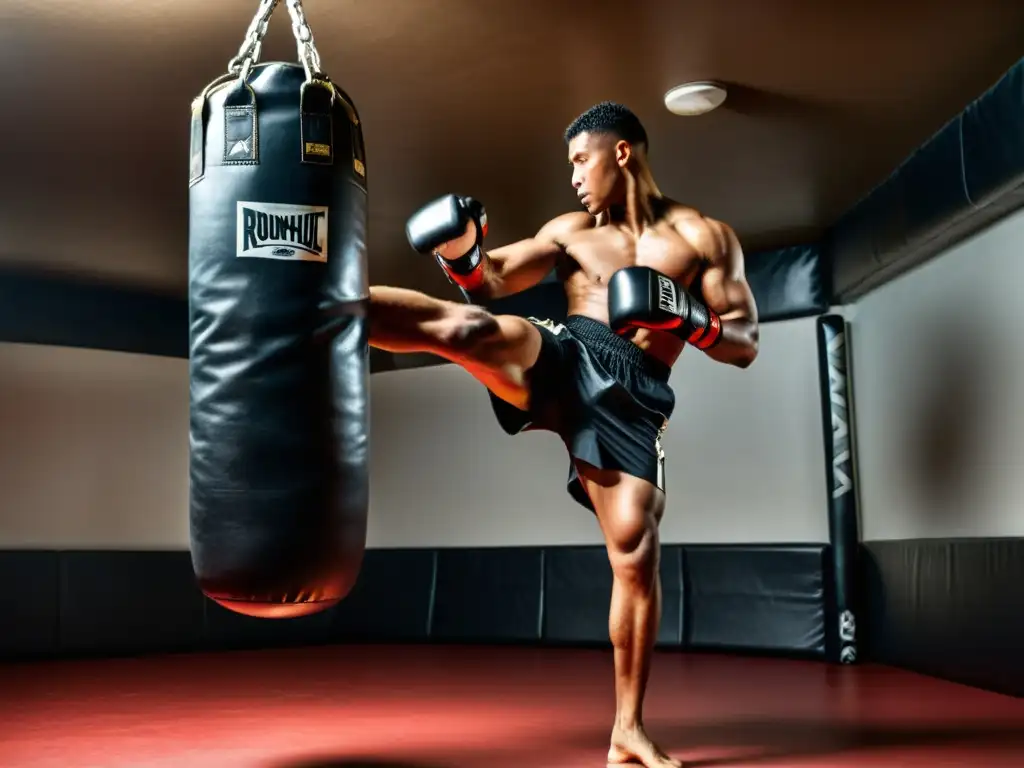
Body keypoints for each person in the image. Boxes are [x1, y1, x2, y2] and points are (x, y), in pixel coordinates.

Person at [369, 101, 759, 768]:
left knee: (636, 553)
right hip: (569, 353)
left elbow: (744, 342)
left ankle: (627, 731)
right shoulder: (569, 232)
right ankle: (319, 311)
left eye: (582, 160)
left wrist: (687, 316)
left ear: (621, 153)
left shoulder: (706, 238)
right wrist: (463, 255)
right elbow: (492, 279)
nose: (574, 176)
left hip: (636, 396)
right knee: (471, 330)